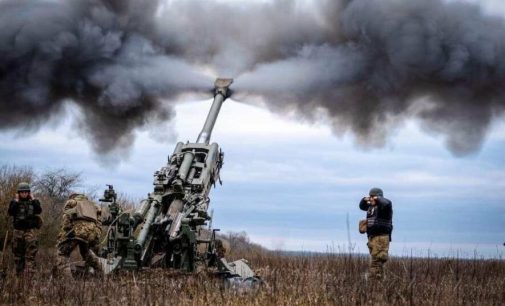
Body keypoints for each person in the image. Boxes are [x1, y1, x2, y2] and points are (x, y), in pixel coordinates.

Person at [54, 193, 103, 277]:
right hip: (90, 234)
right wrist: (95, 234)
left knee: (63, 254)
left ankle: (68, 282)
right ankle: (101, 274)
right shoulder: (92, 206)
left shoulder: (73, 202)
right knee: (86, 252)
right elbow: (99, 222)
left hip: (77, 231)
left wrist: (67, 232)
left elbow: (66, 219)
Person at [8, 182, 42, 275]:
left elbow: (39, 210)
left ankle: (31, 277)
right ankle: (19, 276)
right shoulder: (14, 202)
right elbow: (11, 212)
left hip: (30, 231)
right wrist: (16, 200)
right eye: (22, 192)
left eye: (26, 192)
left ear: (29, 193)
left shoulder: (33, 202)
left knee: (31, 254)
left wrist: (34, 199)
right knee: (18, 255)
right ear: (19, 193)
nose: (24, 194)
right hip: (18, 231)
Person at [359, 187, 393, 280]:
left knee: (376, 263)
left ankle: (373, 285)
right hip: (372, 238)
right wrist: (364, 199)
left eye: (373, 197)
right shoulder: (371, 207)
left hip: (381, 238)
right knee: (377, 263)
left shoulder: (385, 207)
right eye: (370, 197)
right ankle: (379, 285)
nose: (371, 199)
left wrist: (377, 198)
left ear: (379, 197)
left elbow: (386, 202)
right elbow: (361, 206)